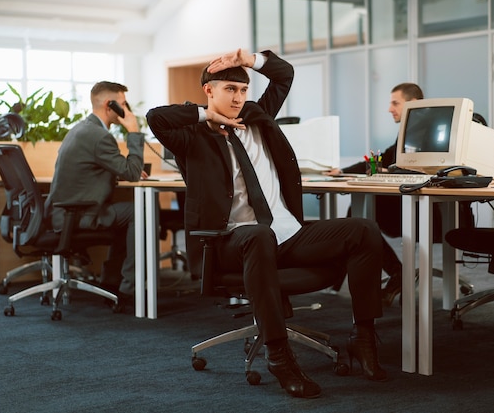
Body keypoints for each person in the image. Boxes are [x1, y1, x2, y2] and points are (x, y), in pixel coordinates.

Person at [146, 49, 386, 399]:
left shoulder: (257, 117)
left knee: (362, 230)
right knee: (257, 234)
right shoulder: (189, 138)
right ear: (209, 91)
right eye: (230, 89)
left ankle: (363, 337)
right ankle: (279, 356)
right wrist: (206, 116)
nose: (238, 98)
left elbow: (284, 74)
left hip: (285, 235)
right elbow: (156, 118)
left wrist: (250, 57)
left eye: (242, 90)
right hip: (230, 242)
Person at [44, 81, 146, 306]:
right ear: (110, 106)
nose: (126, 110)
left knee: (128, 213)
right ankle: (130, 289)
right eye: (123, 104)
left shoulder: (82, 129)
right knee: (140, 211)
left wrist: (119, 171)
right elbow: (133, 173)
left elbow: (96, 168)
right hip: (79, 214)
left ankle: (112, 280)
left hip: (64, 211)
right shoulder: (100, 136)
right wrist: (134, 131)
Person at [326, 83, 424, 307]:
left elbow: (410, 169)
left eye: (395, 103)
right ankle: (396, 273)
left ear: (414, 104)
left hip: (425, 208)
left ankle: (396, 273)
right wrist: (342, 171)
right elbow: (379, 162)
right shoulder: (406, 135)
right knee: (357, 217)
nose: (390, 109)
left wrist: (389, 169)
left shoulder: (424, 136)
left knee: (357, 219)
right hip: (408, 203)